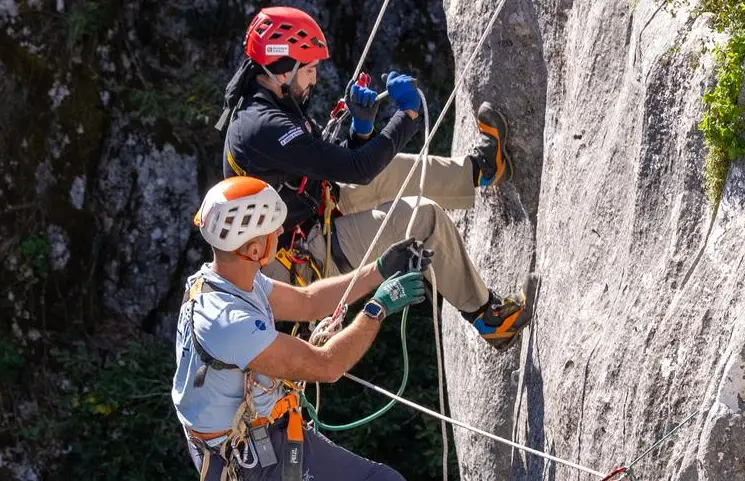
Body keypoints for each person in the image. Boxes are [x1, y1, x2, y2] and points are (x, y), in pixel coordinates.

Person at [216, 6, 531, 352]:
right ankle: (489, 317)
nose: (314, 79)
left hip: (311, 216)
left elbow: (338, 164)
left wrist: (361, 131)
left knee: (389, 170)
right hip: (302, 258)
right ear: (282, 71)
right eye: (308, 70)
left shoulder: (270, 102)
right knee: (422, 218)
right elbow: (357, 169)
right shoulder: (263, 127)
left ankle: (482, 170)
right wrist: (407, 116)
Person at [174, 176, 433, 481]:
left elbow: (309, 301)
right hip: (251, 457)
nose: (282, 231)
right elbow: (327, 365)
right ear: (255, 249)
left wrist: (379, 269)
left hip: (254, 436)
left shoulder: (228, 281)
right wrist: (378, 308)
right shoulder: (227, 323)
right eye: (274, 229)